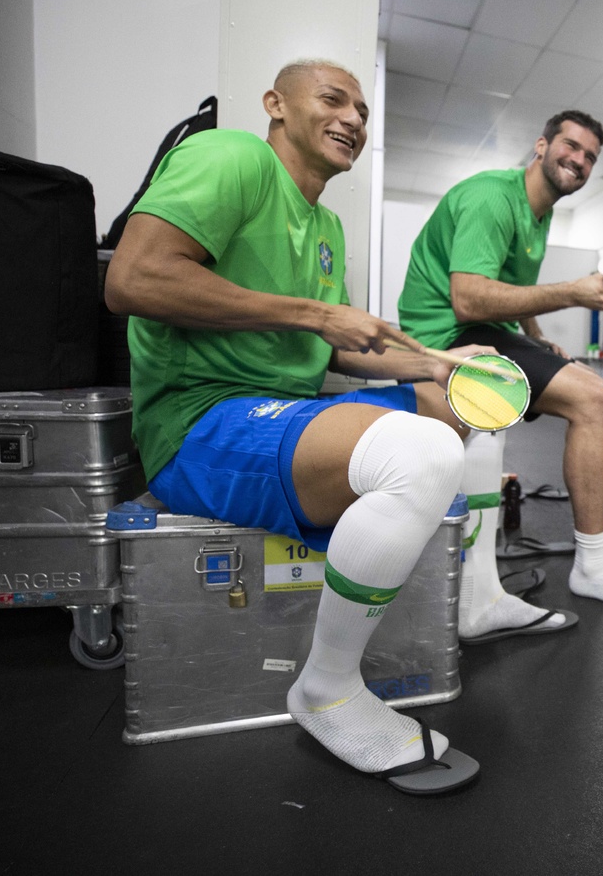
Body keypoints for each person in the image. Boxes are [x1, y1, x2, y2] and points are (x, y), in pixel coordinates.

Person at [105, 59, 485, 795]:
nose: (353, 120)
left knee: (455, 405)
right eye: (333, 100)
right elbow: (132, 278)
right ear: (275, 104)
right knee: (425, 454)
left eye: (363, 112)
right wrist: (315, 313)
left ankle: (460, 590)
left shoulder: (326, 225)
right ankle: (327, 688)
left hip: (283, 416)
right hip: (201, 422)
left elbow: (334, 347)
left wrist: (438, 362)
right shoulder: (233, 156)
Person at [397, 109, 603, 647]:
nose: (580, 160)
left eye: (590, 156)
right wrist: (572, 293)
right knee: (594, 397)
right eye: (571, 146)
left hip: (482, 327)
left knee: (586, 387)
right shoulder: (492, 198)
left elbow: (510, 289)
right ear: (541, 147)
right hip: (446, 334)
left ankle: (594, 518)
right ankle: (592, 564)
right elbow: (469, 297)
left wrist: (536, 336)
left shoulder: (539, 214)